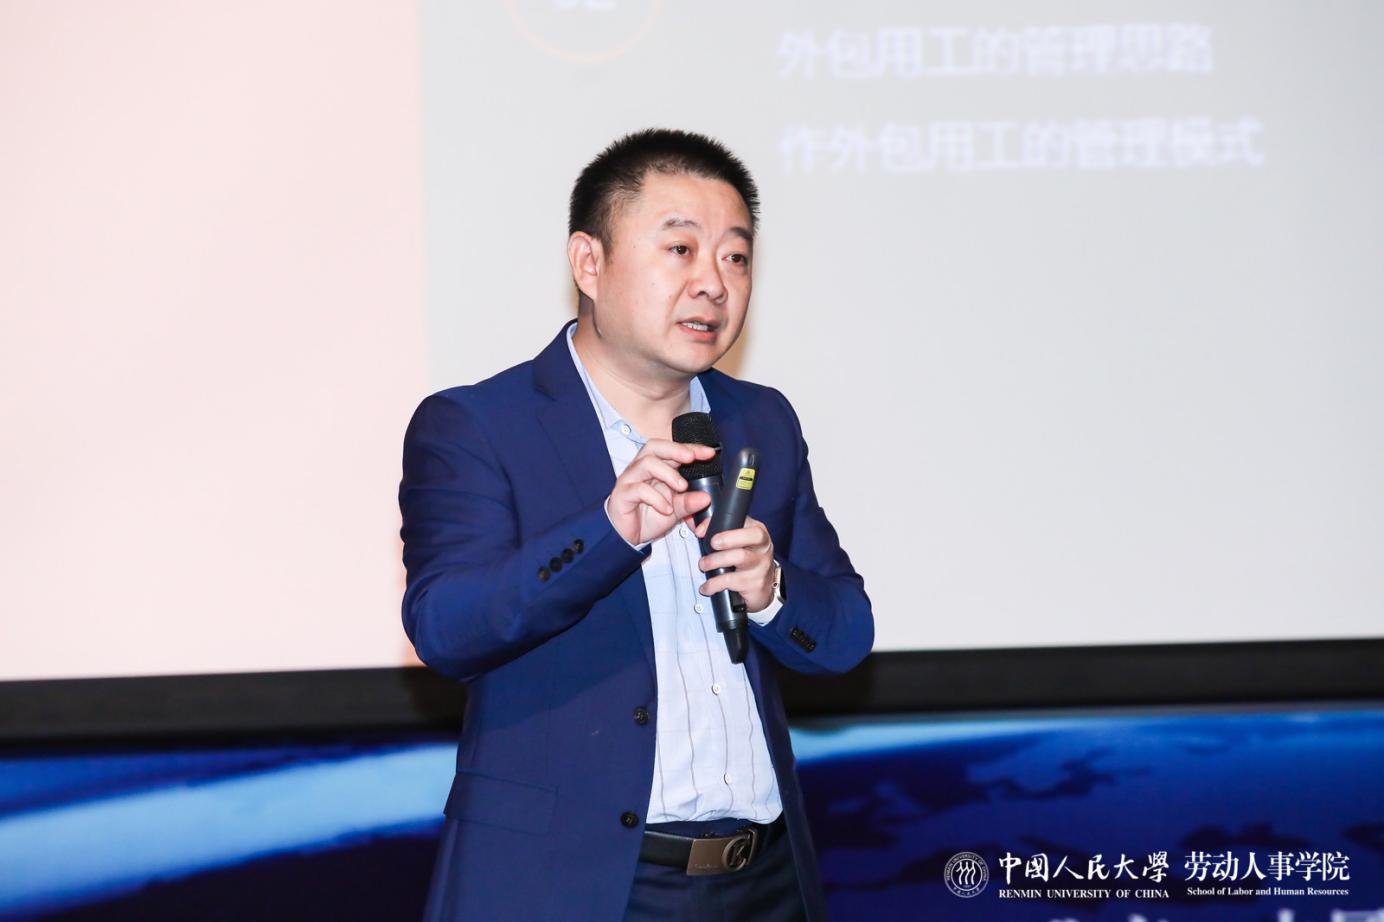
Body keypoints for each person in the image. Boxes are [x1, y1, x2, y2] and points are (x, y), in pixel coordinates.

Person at [399, 128, 874, 921]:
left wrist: (773, 592)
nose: (713, 284)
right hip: (576, 886)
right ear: (589, 263)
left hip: (764, 880)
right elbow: (446, 629)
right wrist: (607, 533)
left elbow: (846, 634)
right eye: (680, 250)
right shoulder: (479, 426)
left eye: (735, 257)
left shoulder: (760, 422)